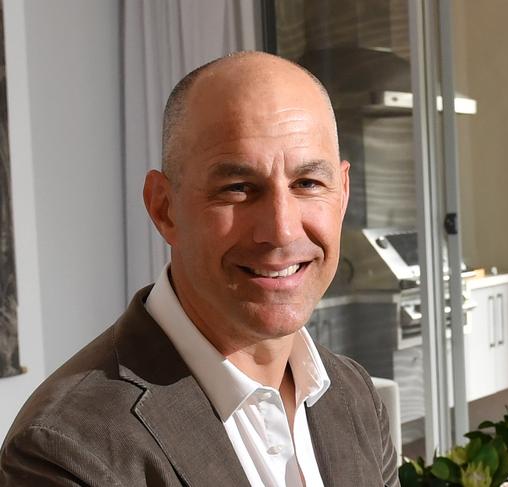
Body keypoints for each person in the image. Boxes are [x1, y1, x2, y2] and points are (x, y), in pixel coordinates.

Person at [0, 52, 399, 486]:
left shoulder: (354, 393)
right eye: (239, 188)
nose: (281, 231)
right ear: (164, 208)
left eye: (307, 183)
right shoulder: (65, 450)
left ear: (341, 194)